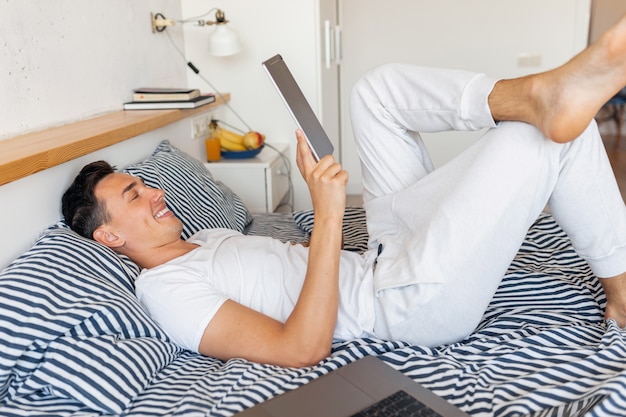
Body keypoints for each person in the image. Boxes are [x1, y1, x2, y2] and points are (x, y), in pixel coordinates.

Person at [63, 15, 626, 368]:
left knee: (373, 91)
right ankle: (623, 288)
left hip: (382, 255)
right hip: (403, 305)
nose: (155, 193)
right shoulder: (167, 290)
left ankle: (532, 94)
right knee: (543, 144)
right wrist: (327, 213)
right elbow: (300, 349)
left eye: (144, 183)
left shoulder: (209, 237)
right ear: (108, 234)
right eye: (134, 197)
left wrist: (317, 234)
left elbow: (294, 269)